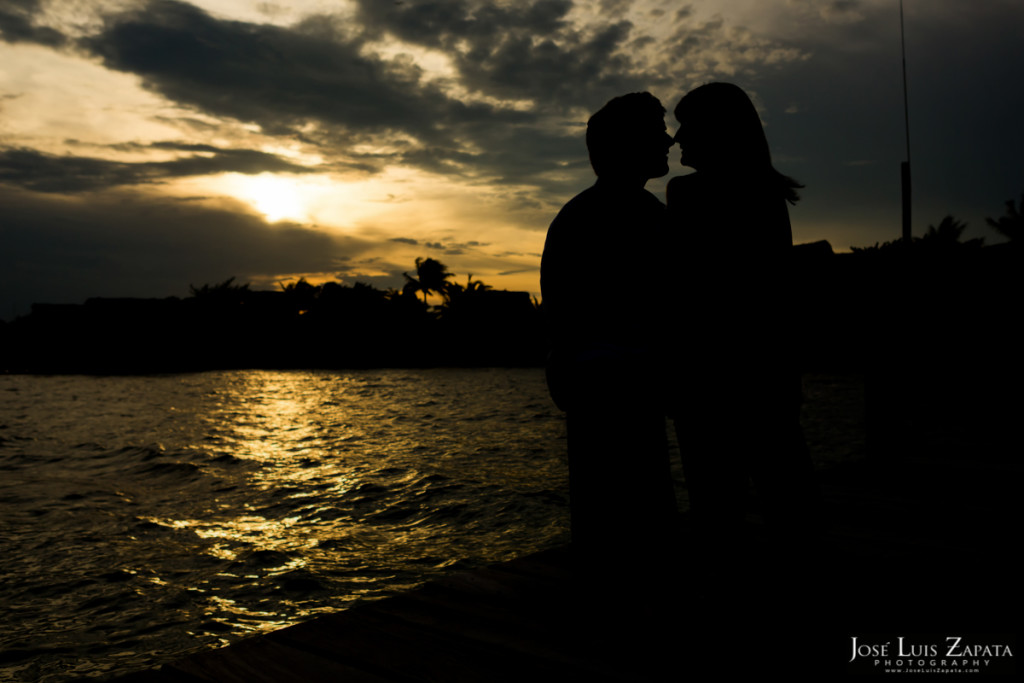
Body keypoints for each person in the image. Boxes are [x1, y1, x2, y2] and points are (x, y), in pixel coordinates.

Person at [665, 82, 819, 552]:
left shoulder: (687, 194)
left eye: (686, 127)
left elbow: (686, 287)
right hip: (768, 366)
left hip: (710, 372)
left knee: (716, 505)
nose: (676, 139)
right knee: (785, 490)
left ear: (716, 133)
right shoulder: (768, 194)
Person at [541, 92, 679, 564]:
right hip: (612, 385)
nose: (668, 139)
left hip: (615, 382)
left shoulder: (620, 212)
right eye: (656, 130)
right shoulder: (623, 216)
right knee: (627, 518)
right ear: (627, 143)